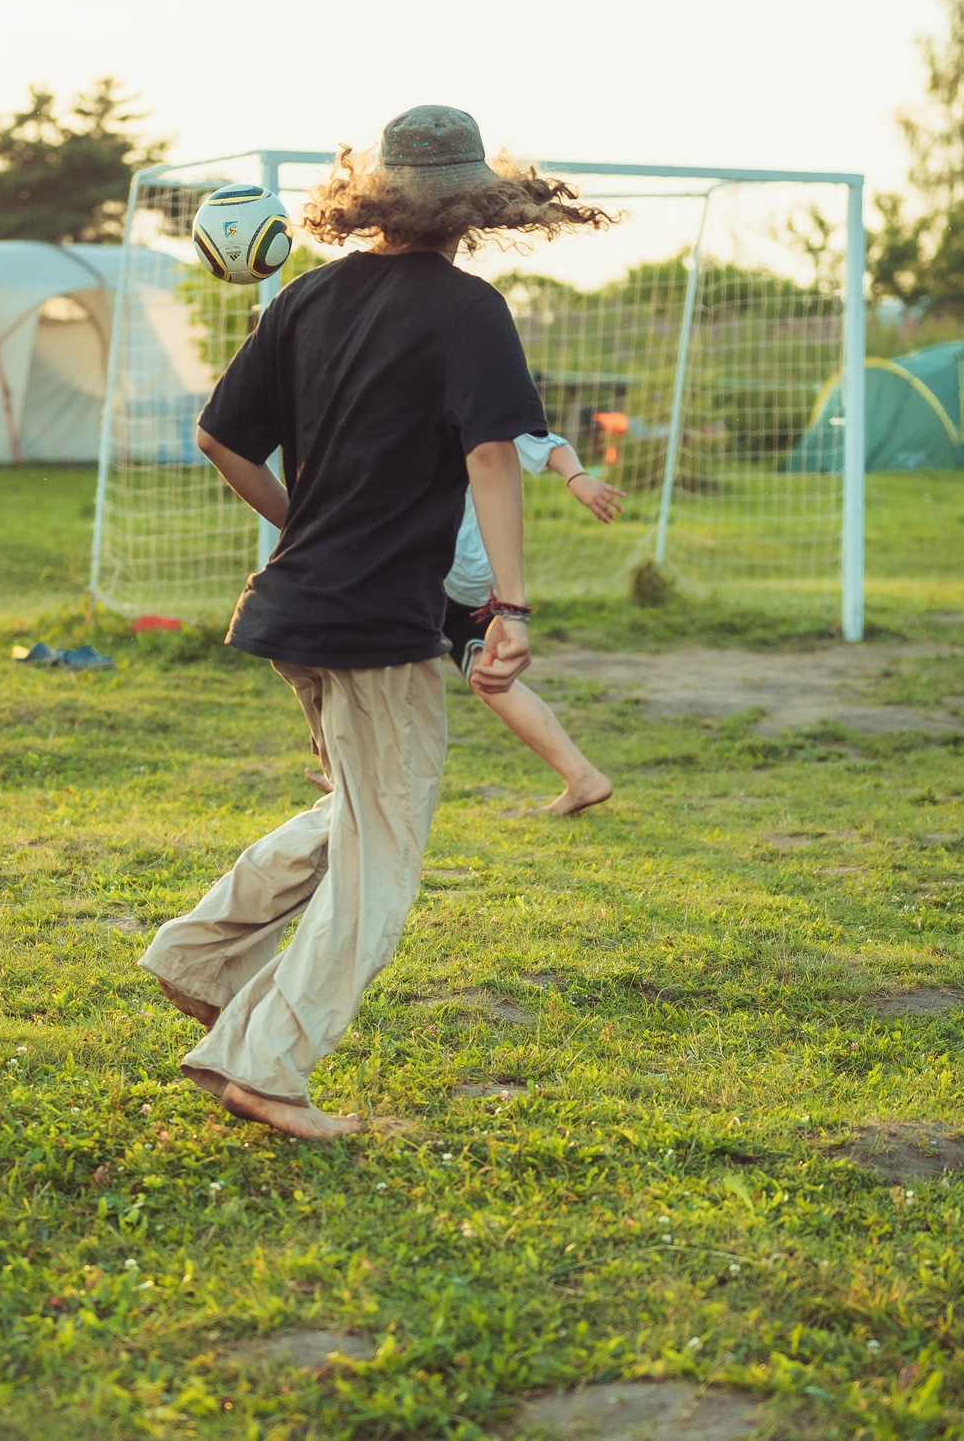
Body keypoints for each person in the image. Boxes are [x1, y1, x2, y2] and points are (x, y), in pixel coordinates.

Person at [138, 105, 612, 1141]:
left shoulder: (306, 297)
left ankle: (197, 956)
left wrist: (305, 524)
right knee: (383, 858)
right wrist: (510, 605)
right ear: (474, 206)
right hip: (373, 620)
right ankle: (266, 1067)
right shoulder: (470, 310)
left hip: (296, 605)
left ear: (376, 197)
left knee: (361, 808)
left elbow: (219, 439)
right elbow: (492, 454)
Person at [310, 430, 622, 814]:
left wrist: (578, 477)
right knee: (487, 677)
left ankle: (354, 780)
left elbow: (543, 442)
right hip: (459, 574)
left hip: (435, 570)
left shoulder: (466, 405)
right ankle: (583, 776)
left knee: (368, 666)